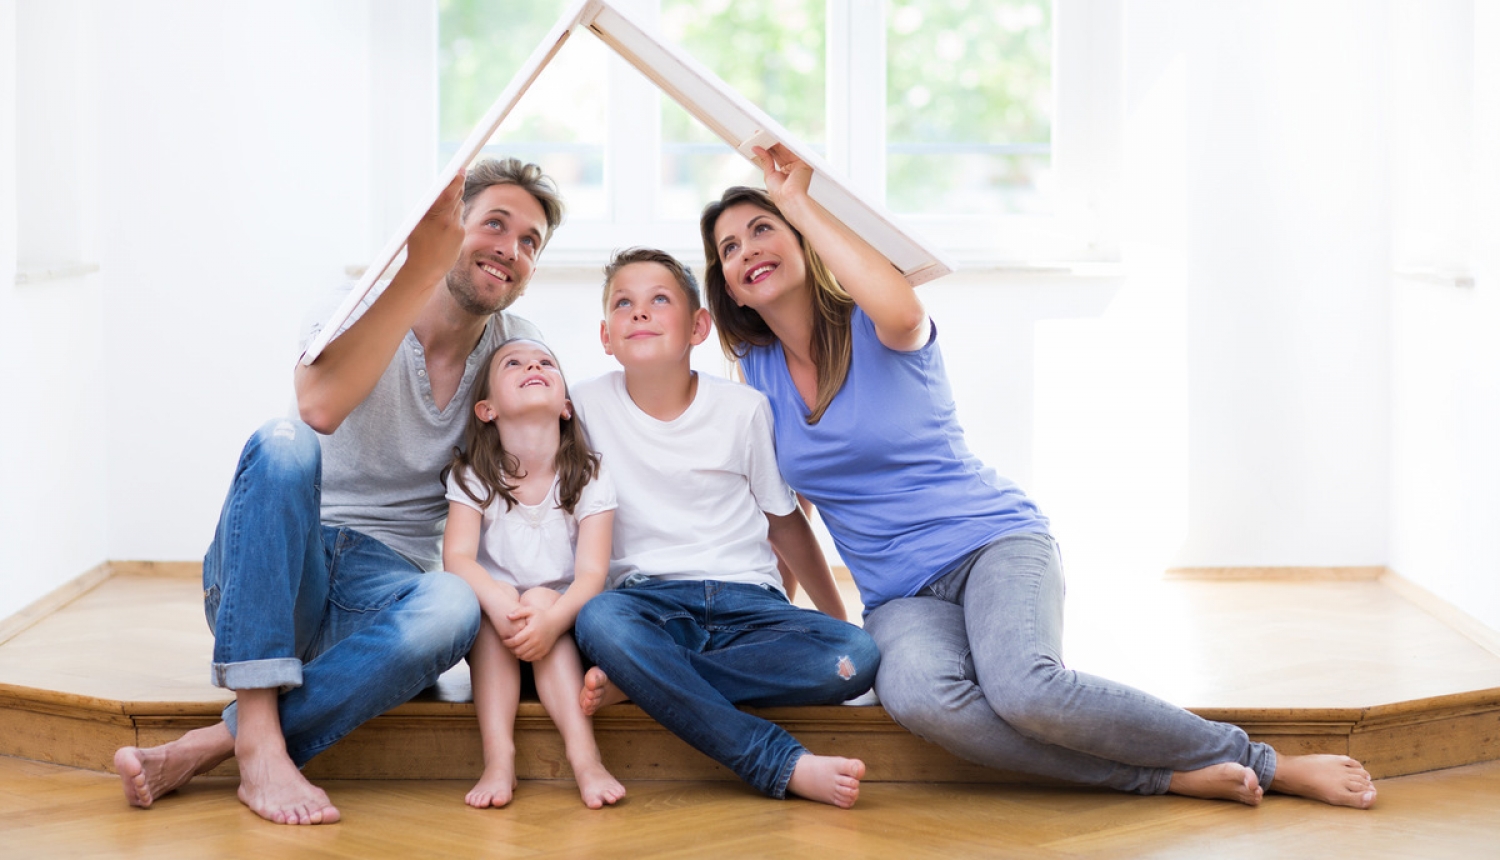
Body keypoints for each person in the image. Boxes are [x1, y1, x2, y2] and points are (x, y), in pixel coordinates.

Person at [698, 144, 1379, 810]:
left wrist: (798, 199)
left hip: (992, 543)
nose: (748, 249)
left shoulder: (876, 320)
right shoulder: (754, 380)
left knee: (1024, 689)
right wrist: (812, 620)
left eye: (763, 229)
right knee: (922, 701)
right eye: (729, 247)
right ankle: (1162, 779)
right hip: (900, 598)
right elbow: (790, 516)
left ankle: (1264, 761)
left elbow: (906, 310)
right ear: (726, 286)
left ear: (802, 241)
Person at [112, 158, 566, 825]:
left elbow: (545, 477)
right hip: (277, 572)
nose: (511, 249)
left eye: (530, 242)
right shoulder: (350, 298)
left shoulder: (515, 351)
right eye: (495, 224)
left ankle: (215, 743)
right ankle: (261, 741)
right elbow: (319, 408)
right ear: (449, 227)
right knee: (282, 441)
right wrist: (418, 267)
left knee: (453, 602)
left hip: (386, 593)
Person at [568, 247, 879, 809]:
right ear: (605, 336)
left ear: (698, 326)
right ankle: (779, 761)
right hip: (648, 607)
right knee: (598, 618)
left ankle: (644, 680)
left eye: (659, 299)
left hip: (749, 604)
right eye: (624, 303)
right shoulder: (583, 406)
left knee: (855, 655)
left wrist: (835, 619)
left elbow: (784, 524)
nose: (639, 312)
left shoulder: (743, 408)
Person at [441, 337, 625, 810]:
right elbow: (458, 558)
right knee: (494, 594)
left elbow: (591, 575)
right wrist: (502, 603)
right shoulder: (472, 474)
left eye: (546, 362)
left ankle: (584, 757)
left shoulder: (588, 473)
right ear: (486, 409)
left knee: (544, 597)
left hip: (562, 633)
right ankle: (498, 757)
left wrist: (551, 620)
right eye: (514, 364)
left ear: (565, 406)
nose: (533, 366)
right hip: (497, 636)